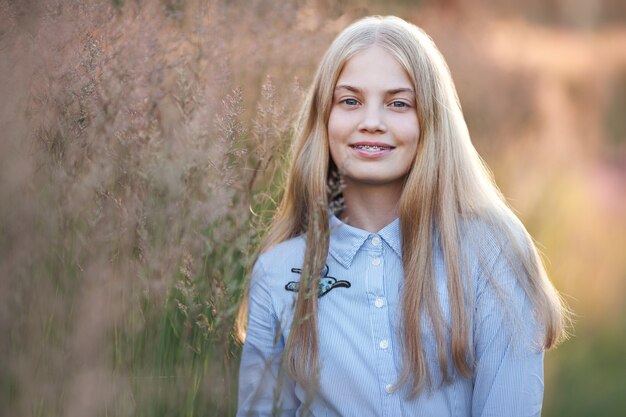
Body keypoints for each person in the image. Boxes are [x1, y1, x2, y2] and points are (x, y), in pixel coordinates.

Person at [236, 15, 568, 417]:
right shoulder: (279, 274)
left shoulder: (494, 253)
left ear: (430, 119)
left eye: (398, 103)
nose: (371, 122)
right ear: (324, 120)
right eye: (350, 101)